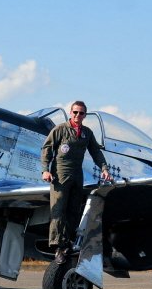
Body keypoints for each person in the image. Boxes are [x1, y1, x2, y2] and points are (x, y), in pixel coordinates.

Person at [41, 101, 112, 265]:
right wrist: (45, 169)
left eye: (81, 113)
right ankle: (58, 247)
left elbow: (95, 151)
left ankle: (67, 244)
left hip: (77, 175)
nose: (77, 116)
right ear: (70, 112)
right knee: (58, 210)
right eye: (75, 112)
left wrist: (104, 168)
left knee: (74, 210)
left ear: (85, 115)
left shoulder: (87, 133)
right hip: (60, 175)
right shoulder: (60, 130)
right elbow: (47, 148)